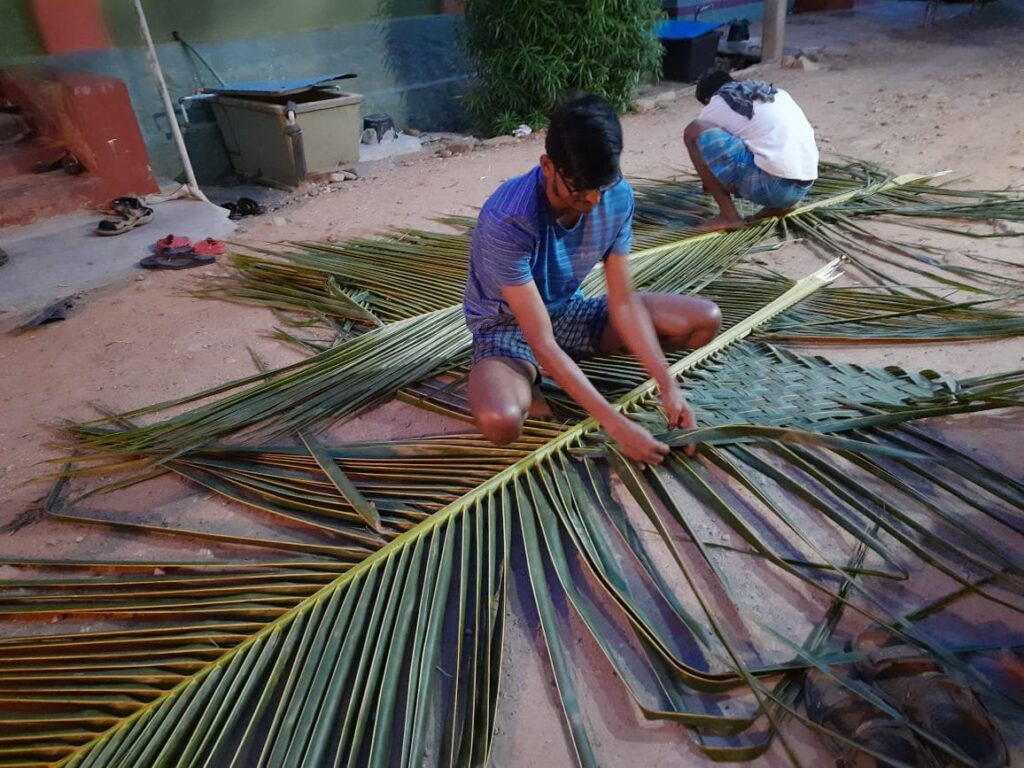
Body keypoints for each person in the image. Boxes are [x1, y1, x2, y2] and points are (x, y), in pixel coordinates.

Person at [463, 92, 722, 465]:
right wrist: (616, 426)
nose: (593, 202)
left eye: (600, 188)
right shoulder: (509, 218)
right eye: (579, 191)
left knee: (703, 321)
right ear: (548, 165)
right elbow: (540, 340)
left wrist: (669, 388)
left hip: (572, 312)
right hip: (509, 329)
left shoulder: (614, 195)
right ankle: (525, 376)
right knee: (499, 422)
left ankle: (556, 375)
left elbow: (622, 301)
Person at [684, 71, 819, 232]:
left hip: (773, 188)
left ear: (707, 99)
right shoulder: (773, 92)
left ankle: (729, 216)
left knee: (693, 130)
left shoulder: (718, 103)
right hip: (803, 186)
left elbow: (706, 150)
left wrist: (710, 186)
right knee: (755, 139)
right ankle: (782, 205)